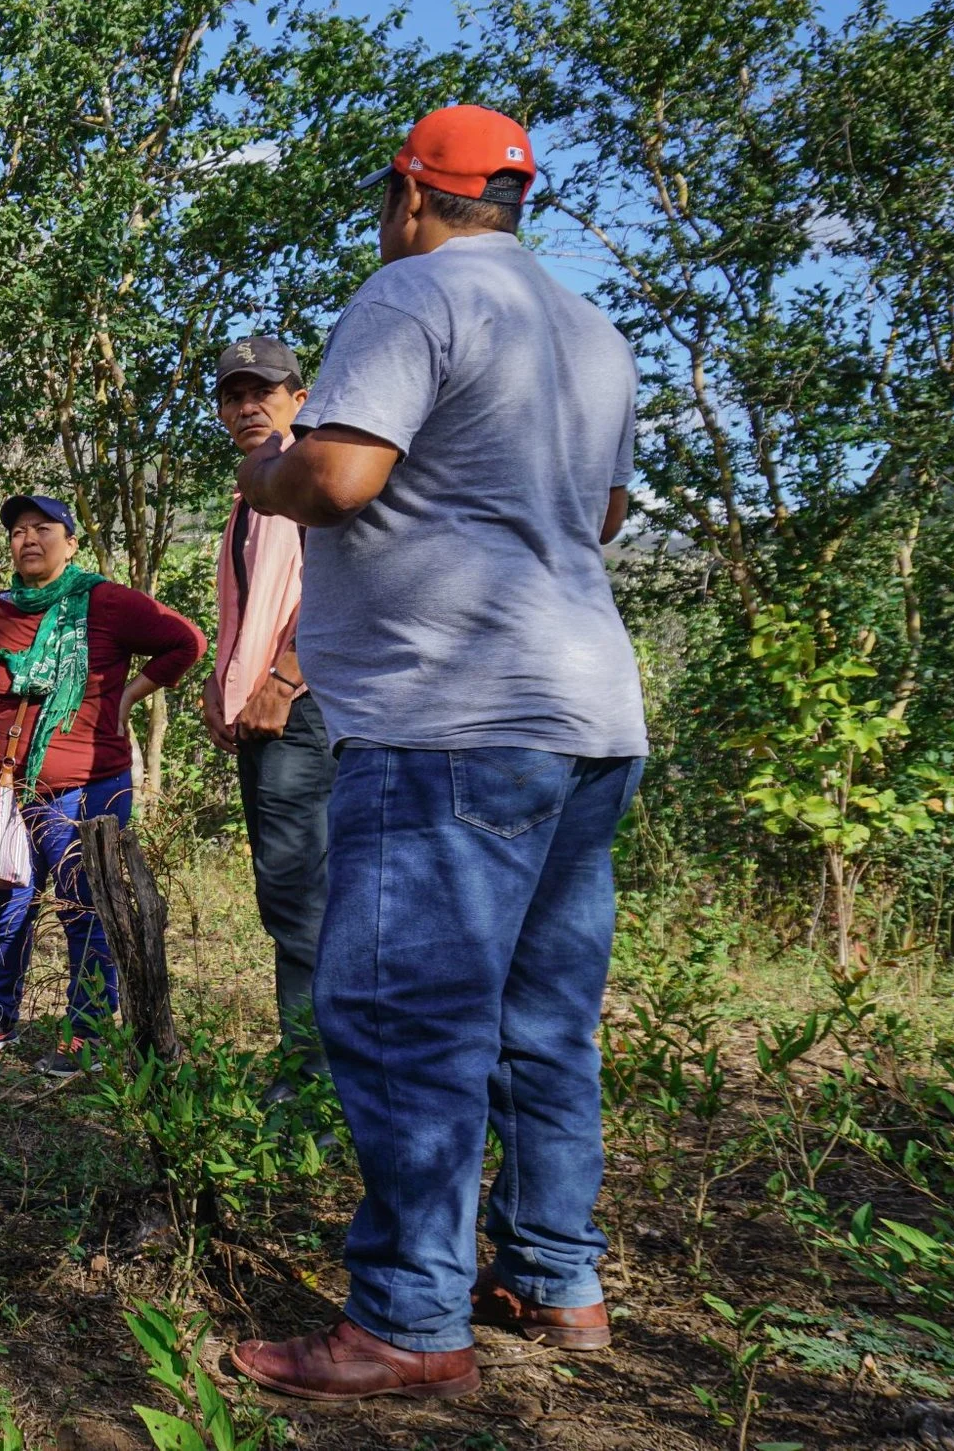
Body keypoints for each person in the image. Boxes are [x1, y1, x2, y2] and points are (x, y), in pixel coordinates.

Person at [227, 106, 647, 1402]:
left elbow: (343, 475)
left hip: (449, 715)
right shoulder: (591, 331)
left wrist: (266, 471)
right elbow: (608, 513)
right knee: (543, 1017)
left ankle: (411, 1313)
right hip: (587, 713)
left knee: (403, 1013)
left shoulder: (413, 293)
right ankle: (553, 1270)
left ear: (412, 191)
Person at [0, 496, 206, 1075]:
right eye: (17, 531)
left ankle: (86, 1032)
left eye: (43, 528)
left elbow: (186, 641)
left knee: (85, 909)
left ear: (71, 541)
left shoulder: (105, 602)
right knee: (4, 905)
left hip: (84, 787)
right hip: (1, 788)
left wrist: (131, 695)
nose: (29, 539)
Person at [202, 339, 335, 1091]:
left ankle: (312, 1075)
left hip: (303, 715)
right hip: (264, 719)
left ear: (299, 397)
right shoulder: (254, 494)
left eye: (265, 391)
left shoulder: (314, 474)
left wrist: (284, 679)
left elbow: (340, 590)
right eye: (234, 395)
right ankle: (315, 1060)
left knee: (299, 894)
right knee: (290, 892)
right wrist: (224, 687)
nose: (249, 405)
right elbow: (248, 612)